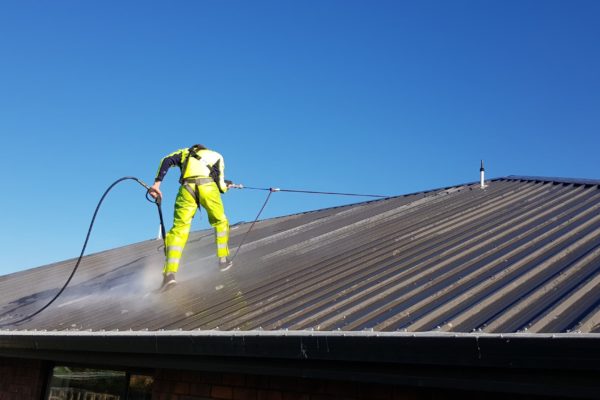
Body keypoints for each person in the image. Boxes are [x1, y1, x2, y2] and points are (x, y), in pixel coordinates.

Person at [149, 144, 233, 291]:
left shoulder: (185, 153)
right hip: (208, 188)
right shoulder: (217, 155)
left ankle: (169, 275)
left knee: (178, 230)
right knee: (220, 221)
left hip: (186, 190)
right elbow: (220, 186)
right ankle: (223, 260)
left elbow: (166, 160)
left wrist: (157, 185)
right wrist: (228, 186)